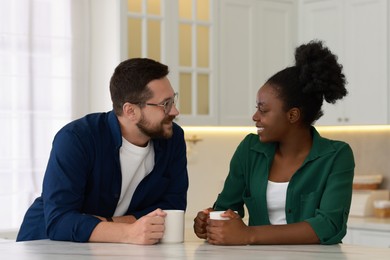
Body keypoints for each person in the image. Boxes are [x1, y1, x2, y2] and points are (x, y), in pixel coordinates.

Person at [193, 40, 355, 245]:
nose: (255, 116)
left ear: (293, 115)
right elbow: (227, 207)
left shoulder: (336, 155)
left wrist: (248, 235)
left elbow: (329, 225)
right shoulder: (249, 150)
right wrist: (209, 222)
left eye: (264, 110)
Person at [17, 58, 189, 245]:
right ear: (130, 111)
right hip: (44, 246)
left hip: (110, 248)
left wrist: (109, 224)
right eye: (165, 104)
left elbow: (172, 210)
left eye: (173, 100)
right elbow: (60, 221)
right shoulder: (76, 139)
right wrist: (129, 231)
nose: (175, 111)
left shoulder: (172, 138)